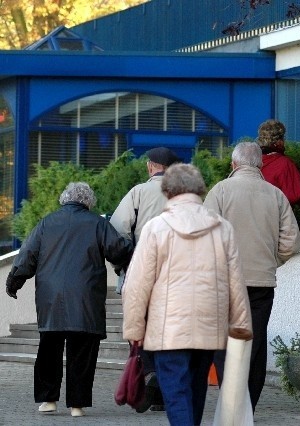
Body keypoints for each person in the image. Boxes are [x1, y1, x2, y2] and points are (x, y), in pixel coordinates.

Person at [122, 164, 253, 426]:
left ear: (167, 191)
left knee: (176, 394)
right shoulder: (222, 228)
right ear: (199, 190)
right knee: (196, 390)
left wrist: (135, 329)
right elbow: (235, 281)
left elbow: (136, 286)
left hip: (168, 329)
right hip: (208, 326)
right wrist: (241, 324)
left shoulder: (156, 228)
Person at [5, 182, 133, 418]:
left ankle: (48, 400)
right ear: (88, 202)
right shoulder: (97, 223)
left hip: (51, 298)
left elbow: (27, 255)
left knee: (49, 348)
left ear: (64, 199)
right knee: (82, 351)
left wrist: (14, 281)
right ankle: (77, 405)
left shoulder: (47, 223)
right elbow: (118, 250)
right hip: (86, 298)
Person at [203, 142, 300, 412]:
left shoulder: (220, 191)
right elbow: (291, 241)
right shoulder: (275, 195)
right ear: (260, 165)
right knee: (255, 344)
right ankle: (248, 406)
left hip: (226, 280)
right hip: (262, 281)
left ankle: (231, 403)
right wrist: (273, 259)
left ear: (233, 164)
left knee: (224, 343)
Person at [109, 145, 181, 413]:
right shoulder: (186, 194)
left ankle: (150, 375)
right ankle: (163, 391)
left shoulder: (138, 192)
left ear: (151, 167)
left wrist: (123, 265)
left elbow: (116, 232)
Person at [256, 119, 300, 205]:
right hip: (274, 214)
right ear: (279, 141)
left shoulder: (253, 162)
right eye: (283, 137)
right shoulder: (284, 164)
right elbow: (294, 195)